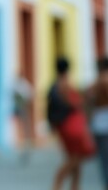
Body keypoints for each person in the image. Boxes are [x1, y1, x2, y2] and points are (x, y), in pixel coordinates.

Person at [47, 57, 94, 190]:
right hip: (71, 124)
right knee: (75, 158)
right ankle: (57, 184)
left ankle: (74, 186)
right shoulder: (65, 84)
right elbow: (73, 103)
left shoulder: (55, 84)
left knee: (75, 157)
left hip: (65, 125)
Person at [85, 57, 108, 190]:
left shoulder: (93, 84)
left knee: (103, 159)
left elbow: (87, 104)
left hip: (97, 122)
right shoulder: (105, 81)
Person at [12, 72, 33, 164]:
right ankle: (21, 147)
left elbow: (30, 95)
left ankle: (25, 147)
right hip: (19, 110)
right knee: (19, 129)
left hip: (22, 109)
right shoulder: (16, 84)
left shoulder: (24, 84)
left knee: (24, 130)